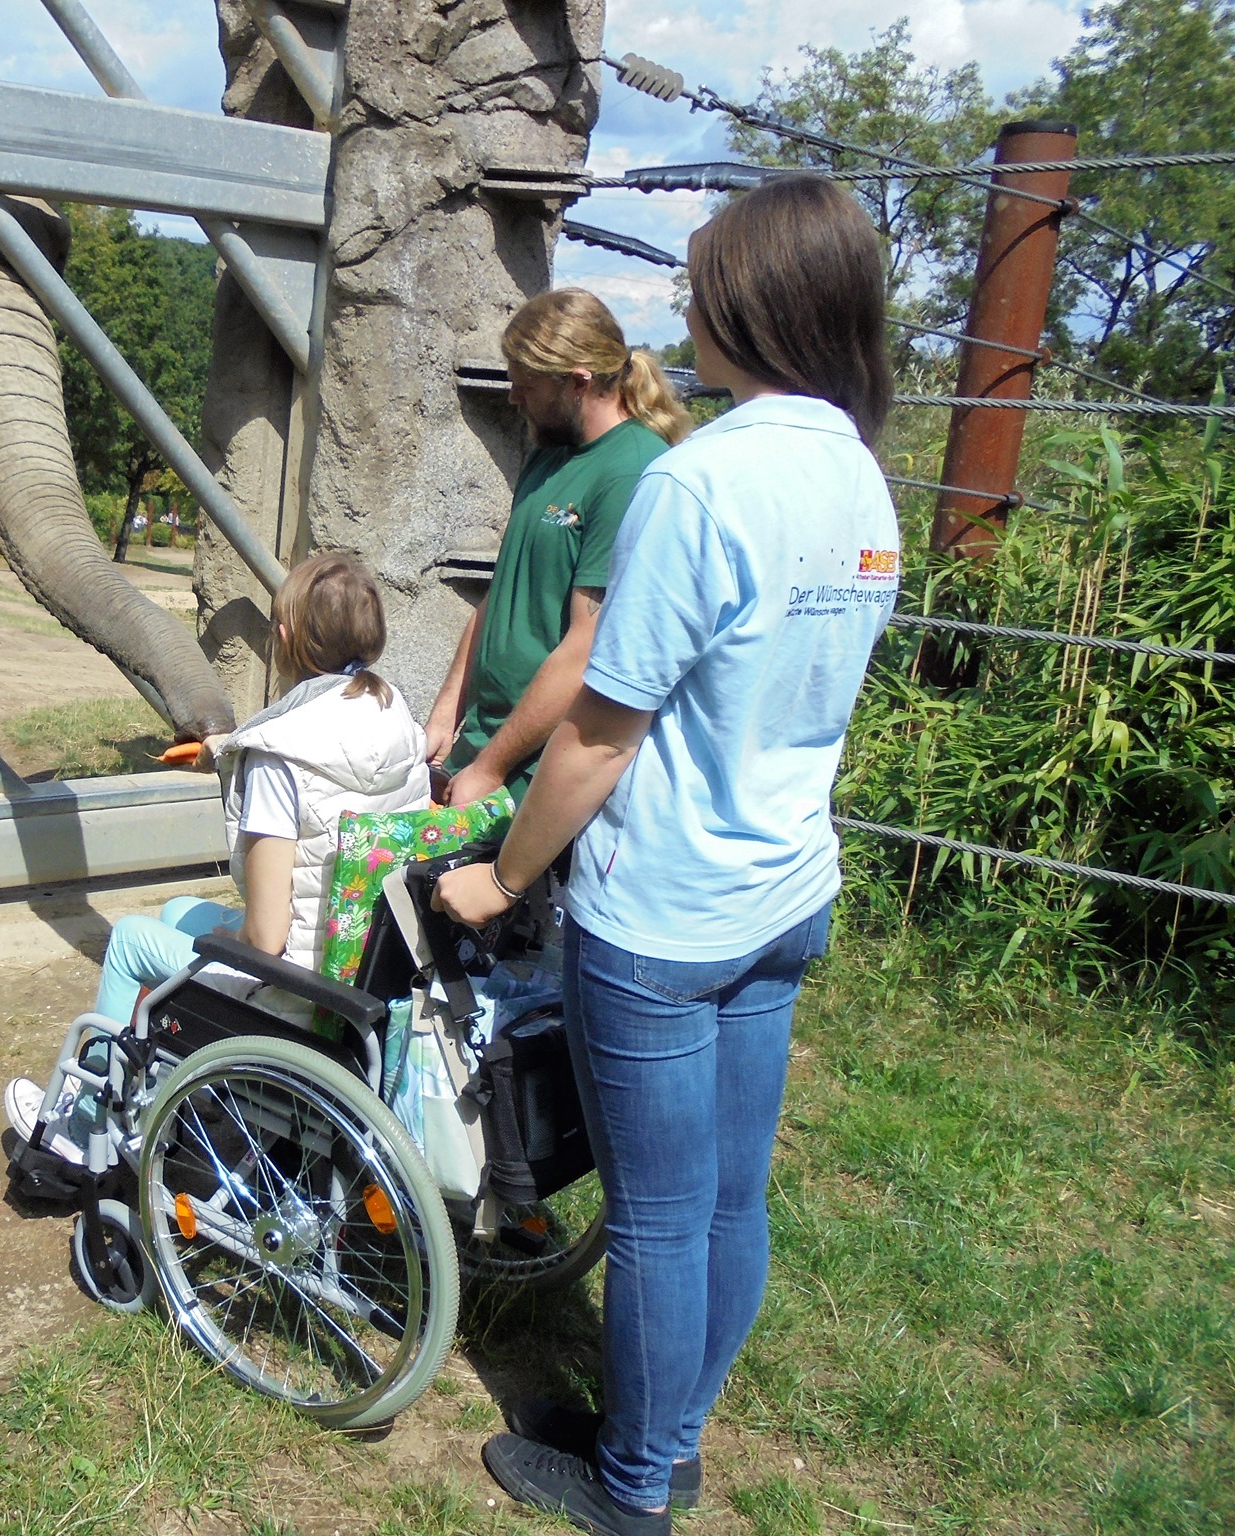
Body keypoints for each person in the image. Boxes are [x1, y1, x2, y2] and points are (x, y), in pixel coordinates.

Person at [435, 175, 898, 1535]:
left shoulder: (703, 481)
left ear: (755, 302)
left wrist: (502, 877)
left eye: (699, 283)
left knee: (654, 1217)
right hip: (786, 886)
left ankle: (630, 1486)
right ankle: (670, 1435)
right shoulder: (856, 473)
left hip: (671, 912)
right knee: (729, 1200)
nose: (683, 307)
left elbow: (597, 733)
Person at [5, 551, 430, 1154]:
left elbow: (266, 937)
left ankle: (85, 1129)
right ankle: (159, 1088)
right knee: (181, 911)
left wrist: (248, 764)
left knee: (130, 940)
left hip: (294, 993)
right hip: (358, 967)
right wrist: (228, 752)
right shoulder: (394, 718)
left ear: (281, 639)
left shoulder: (279, 761)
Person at [425, 290, 690, 809]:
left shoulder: (631, 471)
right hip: (483, 749)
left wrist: (491, 766)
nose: (512, 399)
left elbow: (586, 647)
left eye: (526, 385)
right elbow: (501, 597)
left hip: (537, 771)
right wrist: (445, 714)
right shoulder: (548, 454)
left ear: (578, 381)